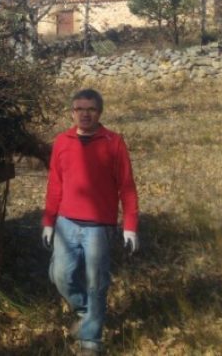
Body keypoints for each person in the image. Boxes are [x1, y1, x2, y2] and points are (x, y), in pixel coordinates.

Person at [42, 89, 139, 353]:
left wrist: (130, 226)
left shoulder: (114, 142)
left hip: (99, 227)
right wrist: (49, 221)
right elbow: (55, 184)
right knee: (60, 275)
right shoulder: (62, 141)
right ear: (72, 112)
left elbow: (127, 187)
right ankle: (87, 311)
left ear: (100, 112)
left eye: (91, 109)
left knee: (97, 282)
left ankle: (91, 339)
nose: (85, 114)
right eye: (79, 109)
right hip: (66, 223)